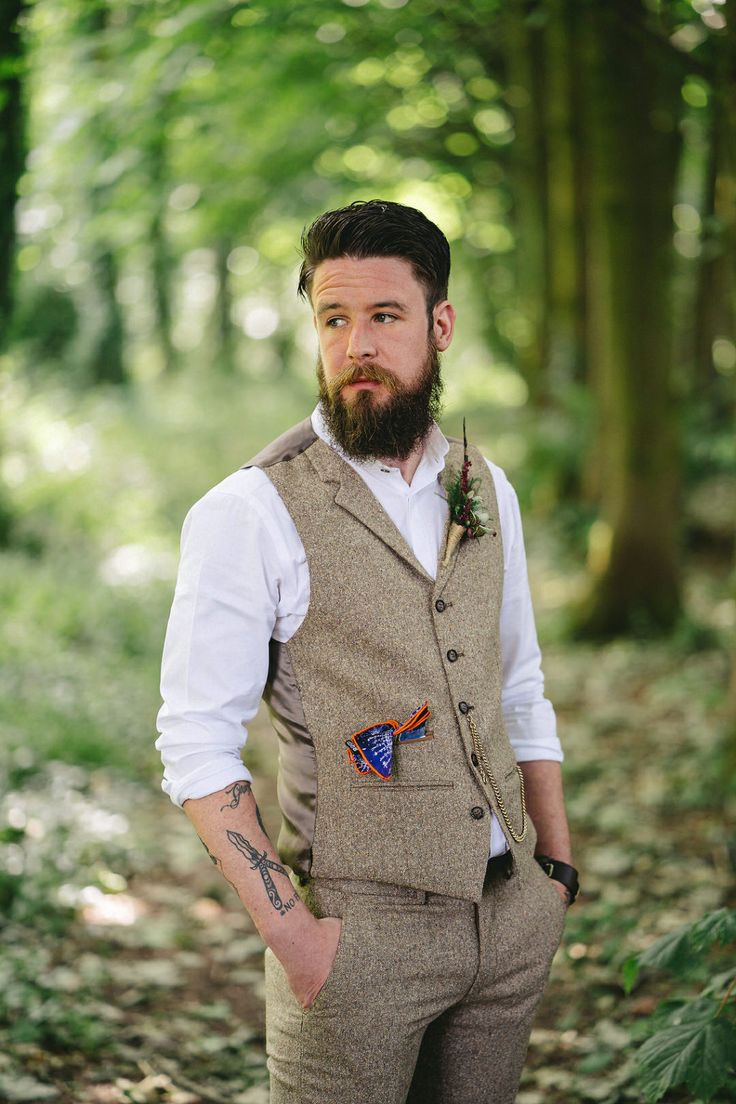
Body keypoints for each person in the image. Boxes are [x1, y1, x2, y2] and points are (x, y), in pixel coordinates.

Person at [155, 199, 578, 1104]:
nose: (358, 345)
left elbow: (520, 684)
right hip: (357, 942)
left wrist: (555, 874)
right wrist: (300, 945)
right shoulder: (248, 512)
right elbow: (194, 742)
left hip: (509, 923)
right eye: (334, 320)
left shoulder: (483, 484)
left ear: (441, 324)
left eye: (385, 317)